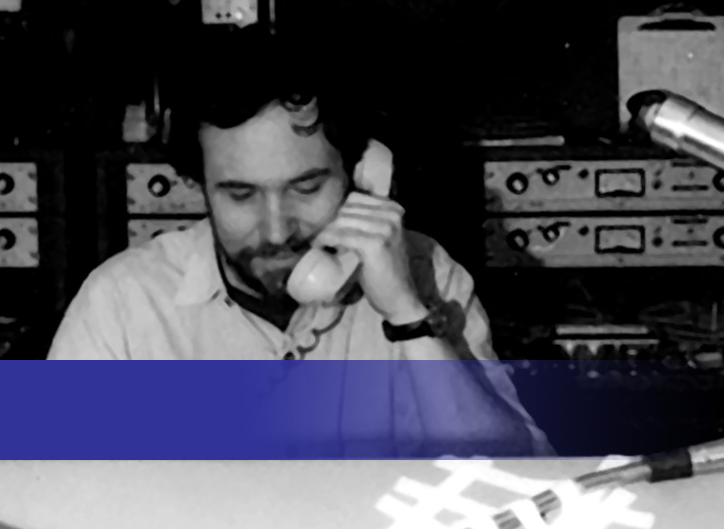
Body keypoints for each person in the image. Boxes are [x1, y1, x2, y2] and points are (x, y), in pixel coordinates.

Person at [48, 29, 552, 456]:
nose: (276, 231)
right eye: (240, 195)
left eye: (306, 188)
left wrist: (407, 316)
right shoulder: (124, 304)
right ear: (200, 185)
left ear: (364, 175)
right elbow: (48, 496)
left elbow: (519, 483)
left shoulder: (427, 276)